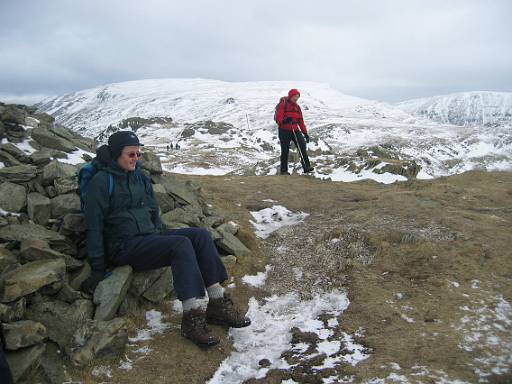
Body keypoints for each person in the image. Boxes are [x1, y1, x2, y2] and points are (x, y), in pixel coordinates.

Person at [80, 131, 251, 347]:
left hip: (148, 237)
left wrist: (159, 232)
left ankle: (217, 303)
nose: (136, 159)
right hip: (123, 247)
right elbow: (94, 227)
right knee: (180, 244)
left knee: (200, 236)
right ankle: (192, 318)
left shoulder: (139, 176)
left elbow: (152, 209)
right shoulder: (102, 182)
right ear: (115, 155)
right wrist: (97, 269)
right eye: (130, 154)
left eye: (138, 154)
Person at [275, 89, 314, 175]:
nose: (296, 98)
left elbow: (301, 121)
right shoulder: (283, 104)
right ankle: (284, 171)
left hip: (295, 129)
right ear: (290, 96)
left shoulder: (297, 107)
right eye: (295, 96)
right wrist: (285, 120)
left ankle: (307, 167)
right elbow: (279, 119)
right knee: (285, 150)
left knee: (302, 146)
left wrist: (305, 133)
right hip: (284, 130)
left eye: (297, 97)